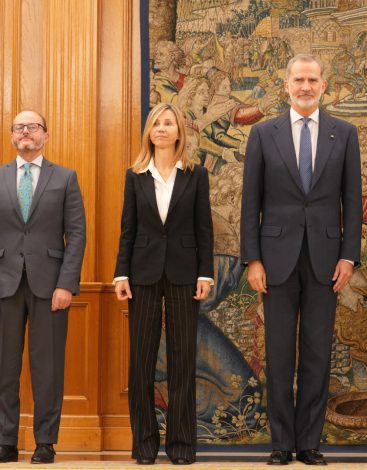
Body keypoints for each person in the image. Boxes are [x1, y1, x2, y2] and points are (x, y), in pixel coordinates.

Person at [240, 54, 361, 466]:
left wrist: (349, 256)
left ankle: (309, 443)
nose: (305, 87)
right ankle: (281, 443)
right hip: (275, 261)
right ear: (286, 85)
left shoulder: (345, 133)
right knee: (278, 355)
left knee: (316, 352)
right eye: (299, 80)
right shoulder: (263, 133)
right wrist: (253, 260)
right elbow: (250, 202)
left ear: (324, 85)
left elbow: (352, 201)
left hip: (326, 261)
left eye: (312, 80)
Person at [114, 102, 214, 466]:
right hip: (142, 275)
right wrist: (121, 274)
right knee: (141, 362)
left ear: (178, 131)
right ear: (149, 132)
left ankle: (182, 445)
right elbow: (128, 229)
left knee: (182, 361)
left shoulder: (196, 175)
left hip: (185, 275)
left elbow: (204, 229)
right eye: (156, 123)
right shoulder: (135, 175)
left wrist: (205, 274)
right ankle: (144, 445)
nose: (161, 128)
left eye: (168, 123)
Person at [0, 111, 86, 464]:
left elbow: (77, 235)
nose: (26, 132)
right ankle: (5, 440)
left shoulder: (65, 177)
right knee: (4, 367)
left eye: (32, 127)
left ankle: (46, 442)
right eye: (19, 127)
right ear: (12, 136)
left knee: (47, 368)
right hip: (3, 284)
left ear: (45, 136)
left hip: (51, 287)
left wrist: (66, 283)